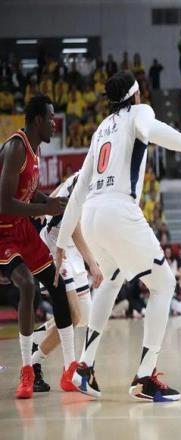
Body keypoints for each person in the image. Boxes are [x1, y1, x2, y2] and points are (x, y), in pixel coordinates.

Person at [55, 71, 181, 402]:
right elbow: (153, 130)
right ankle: (145, 378)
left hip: (91, 214)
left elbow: (78, 192)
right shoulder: (140, 112)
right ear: (135, 95)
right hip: (118, 210)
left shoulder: (100, 129)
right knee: (164, 284)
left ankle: (84, 368)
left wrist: (62, 242)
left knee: (110, 280)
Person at [0, 95, 77, 399]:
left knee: (57, 283)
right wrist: (45, 209)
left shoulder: (35, 149)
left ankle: (70, 369)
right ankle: (26, 371)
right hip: (3, 231)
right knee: (28, 285)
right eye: (51, 118)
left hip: (22, 228)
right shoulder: (16, 148)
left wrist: (54, 203)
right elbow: (5, 203)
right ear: (37, 121)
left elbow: (29, 193)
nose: (55, 123)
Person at [31, 172, 103, 393]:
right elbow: (75, 228)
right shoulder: (89, 178)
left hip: (71, 250)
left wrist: (47, 205)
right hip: (56, 248)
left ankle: (39, 335)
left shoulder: (89, 174)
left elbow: (64, 184)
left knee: (84, 316)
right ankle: (38, 362)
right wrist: (93, 263)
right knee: (73, 316)